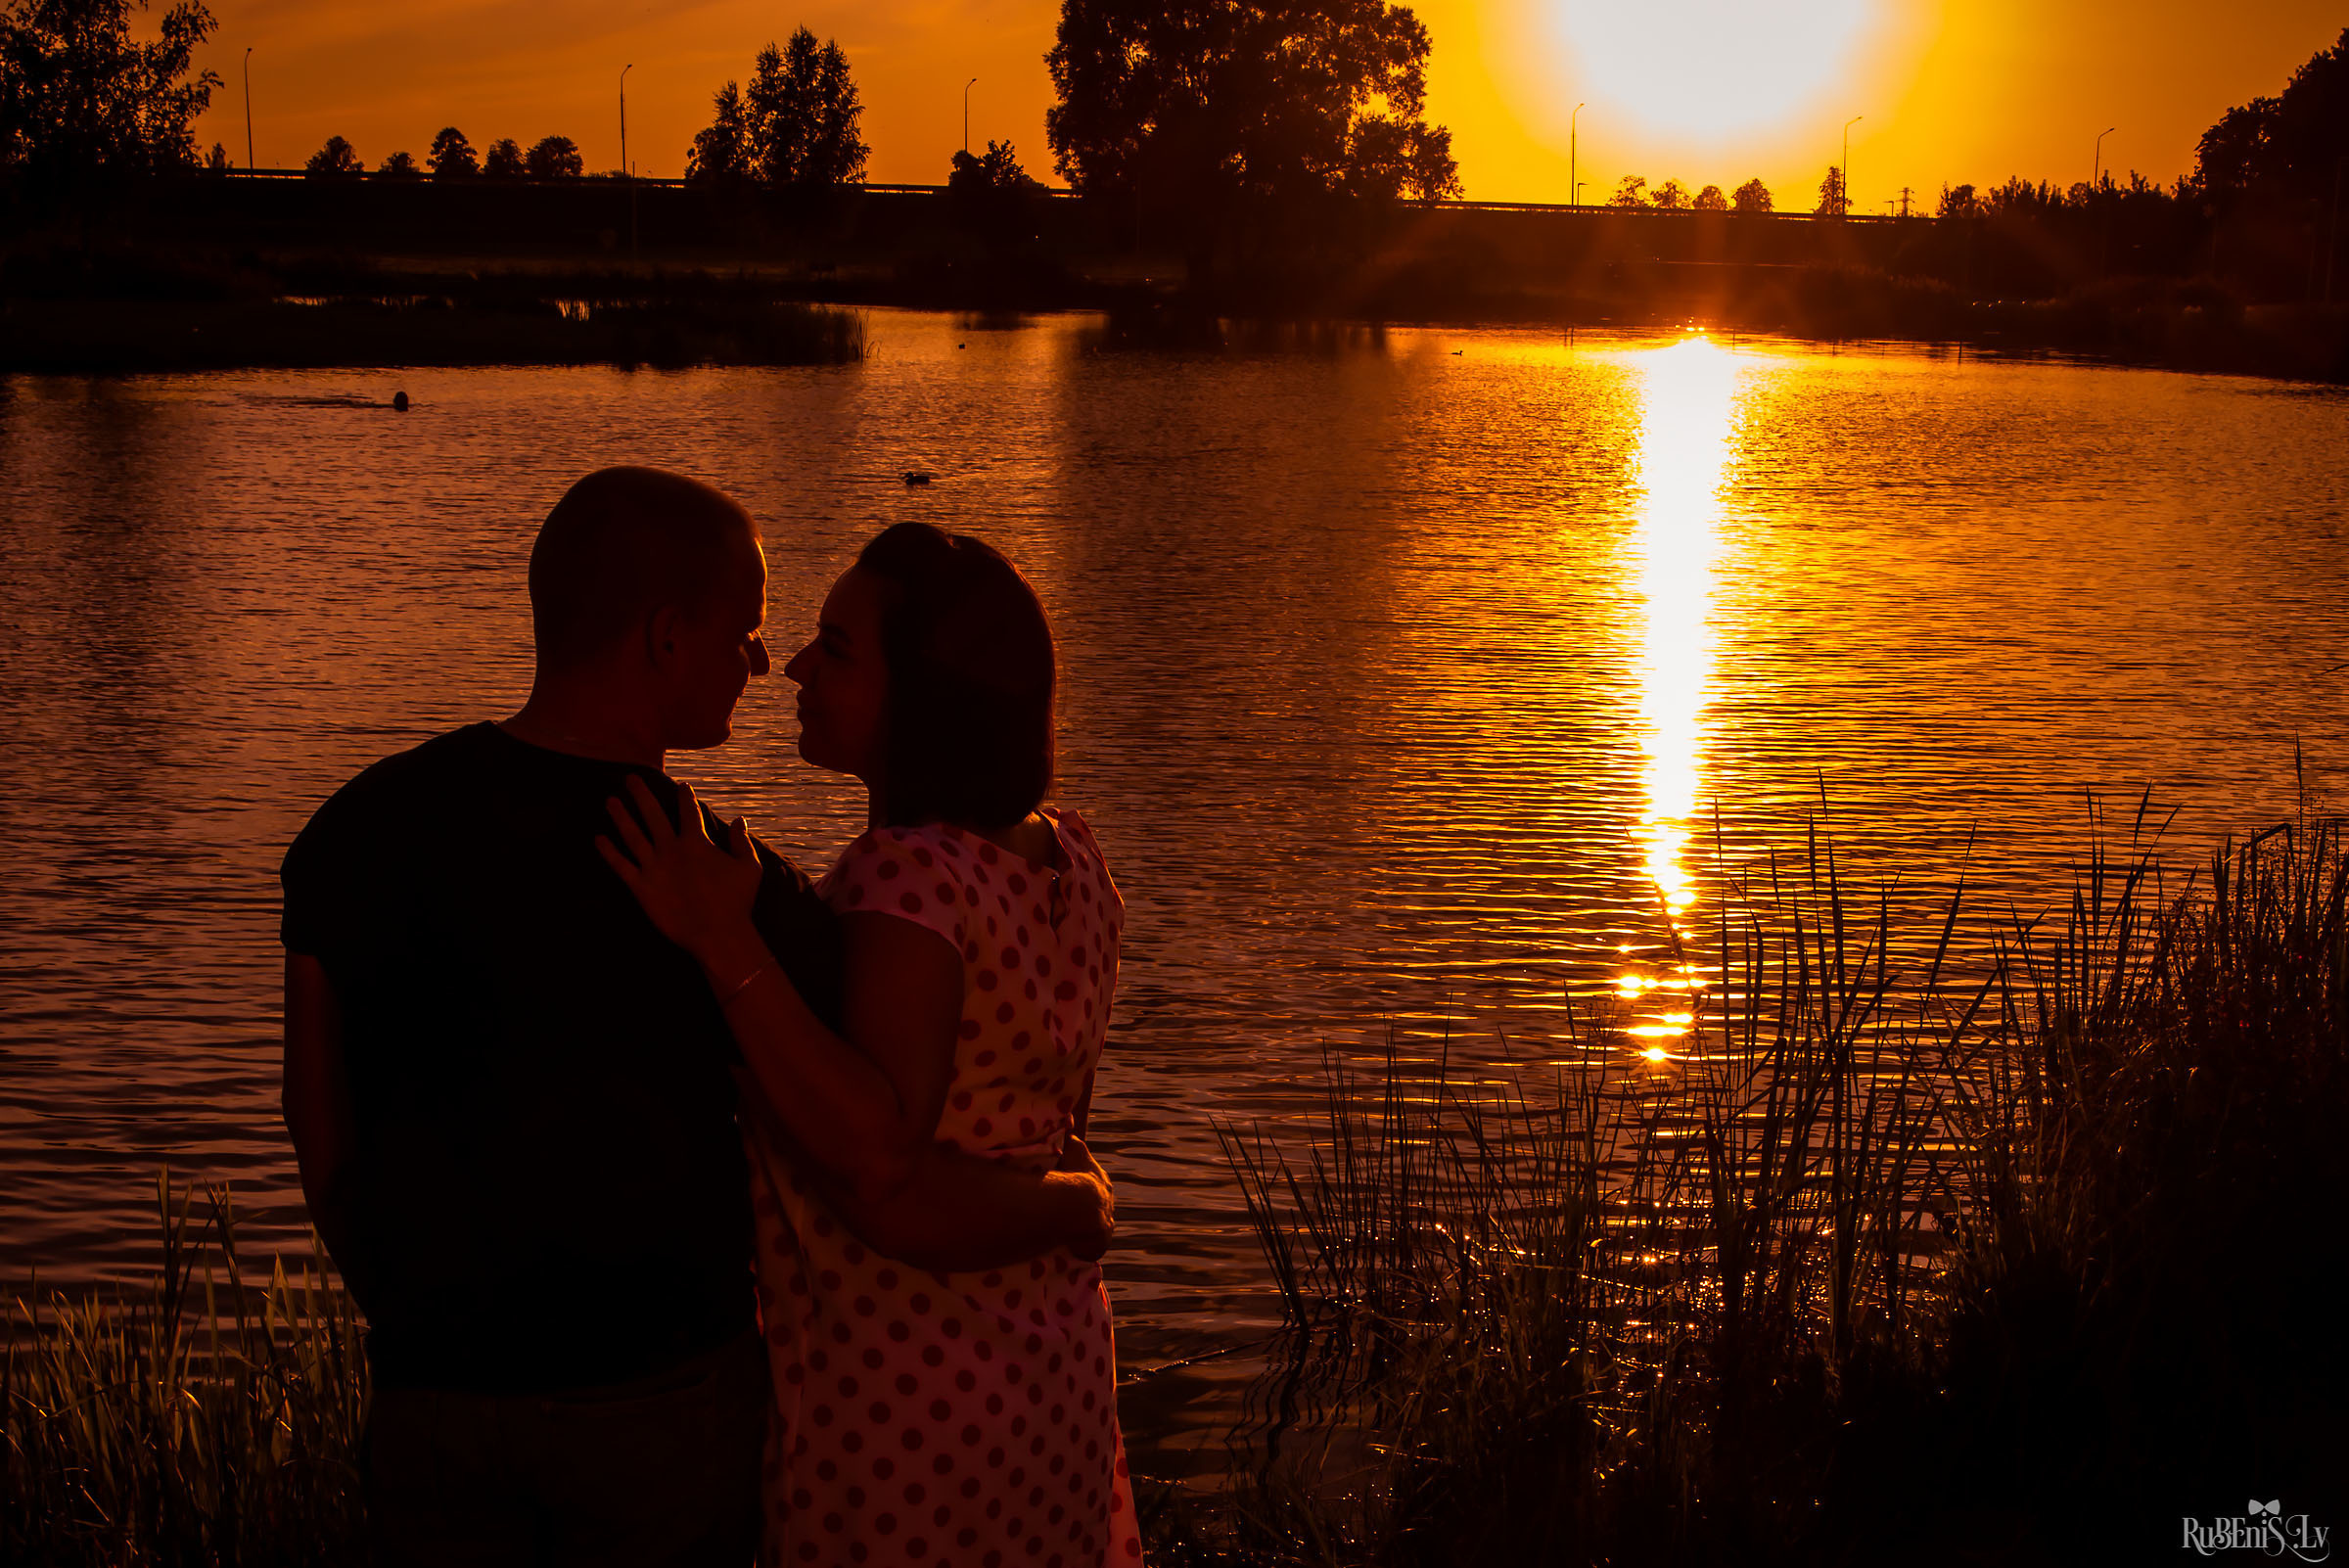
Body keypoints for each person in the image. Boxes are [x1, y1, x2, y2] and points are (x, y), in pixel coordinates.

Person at [279, 470, 1116, 1567]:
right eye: (748, 632)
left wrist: (404, 1299)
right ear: (667, 638)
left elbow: (314, 1111)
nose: (768, 663)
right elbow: (885, 1153)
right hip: (671, 1405)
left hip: (430, 1392)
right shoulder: (732, 884)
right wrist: (1073, 1200)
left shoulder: (355, 825)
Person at [599, 522, 1142, 1566]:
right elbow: (1043, 1129)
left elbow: (883, 1182)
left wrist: (722, 938)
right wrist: (1071, 1202)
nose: (795, 668)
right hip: (1055, 1369)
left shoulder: (906, 881)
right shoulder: (1071, 856)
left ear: (925, 693)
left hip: (909, 1393)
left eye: (836, 649)